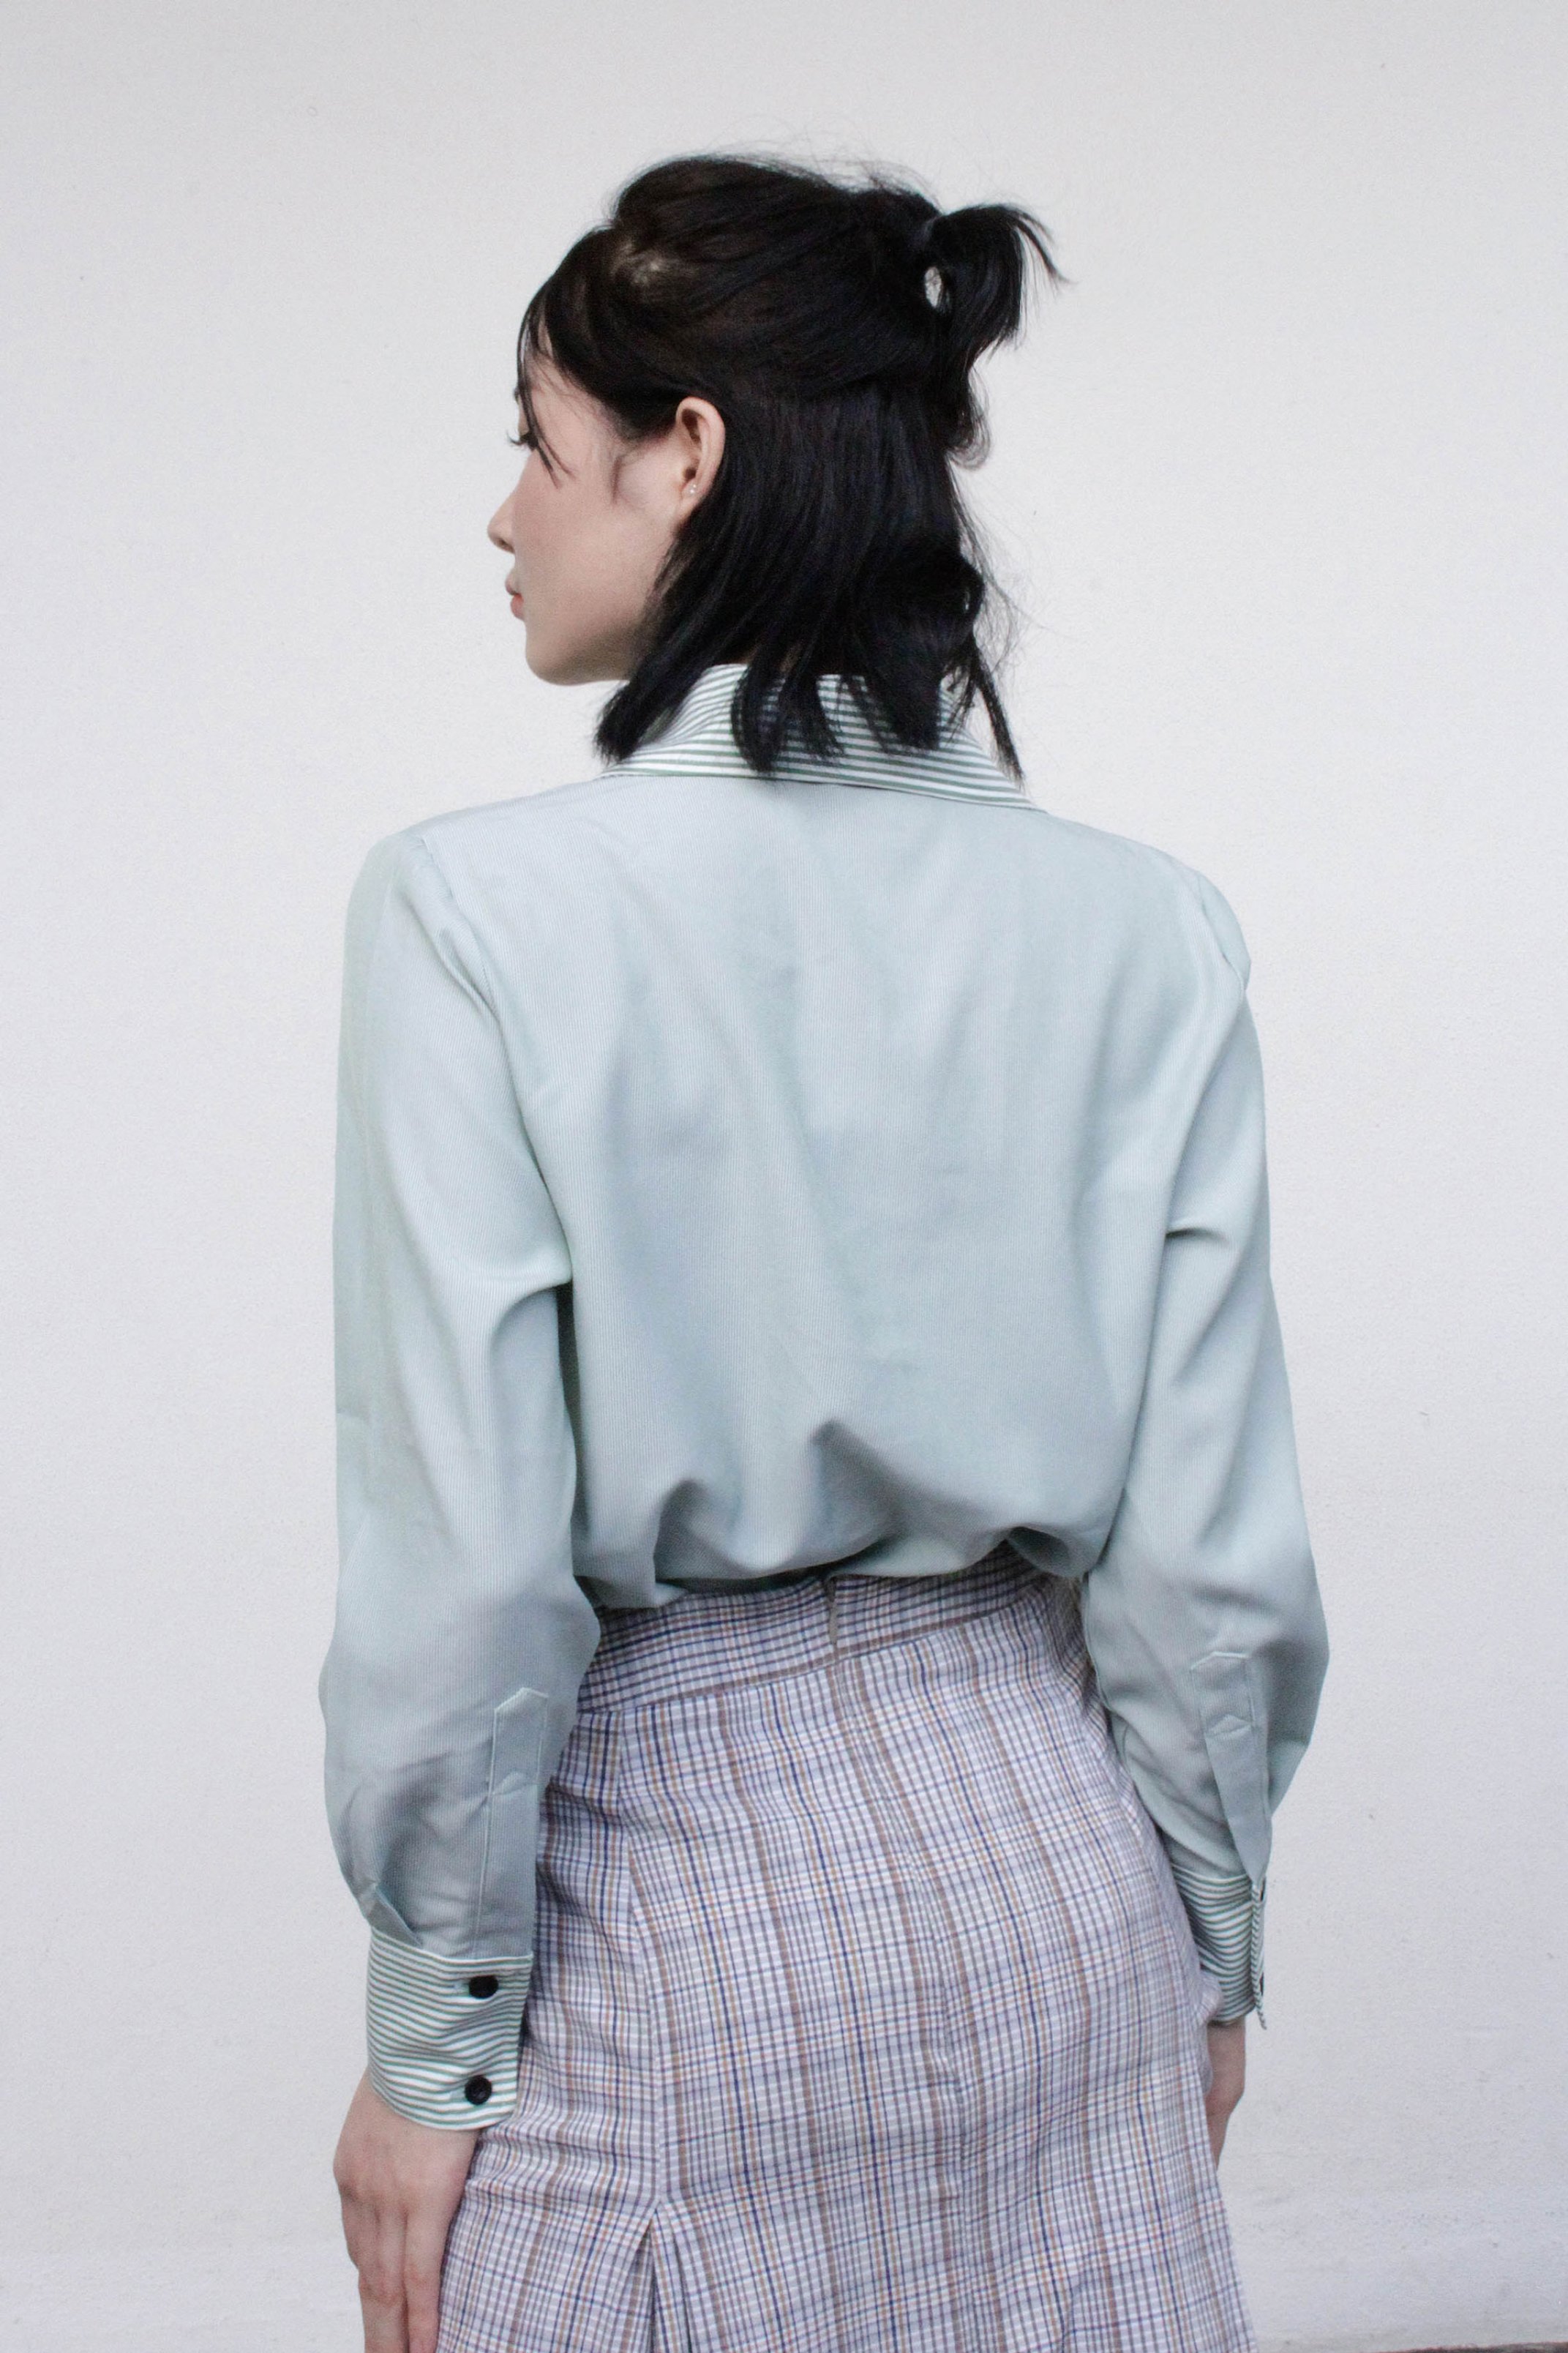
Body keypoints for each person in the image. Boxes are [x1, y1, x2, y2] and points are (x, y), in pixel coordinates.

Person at [321, 154, 1329, 2353]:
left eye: (535, 439)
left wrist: (432, 2031)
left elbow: (468, 1570)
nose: (503, 512)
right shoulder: (1149, 934)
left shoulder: (472, 915)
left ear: (683, 452)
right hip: (1067, 1881)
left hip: (670, 1915)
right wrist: (1206, 1953)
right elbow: (1211, 1569)